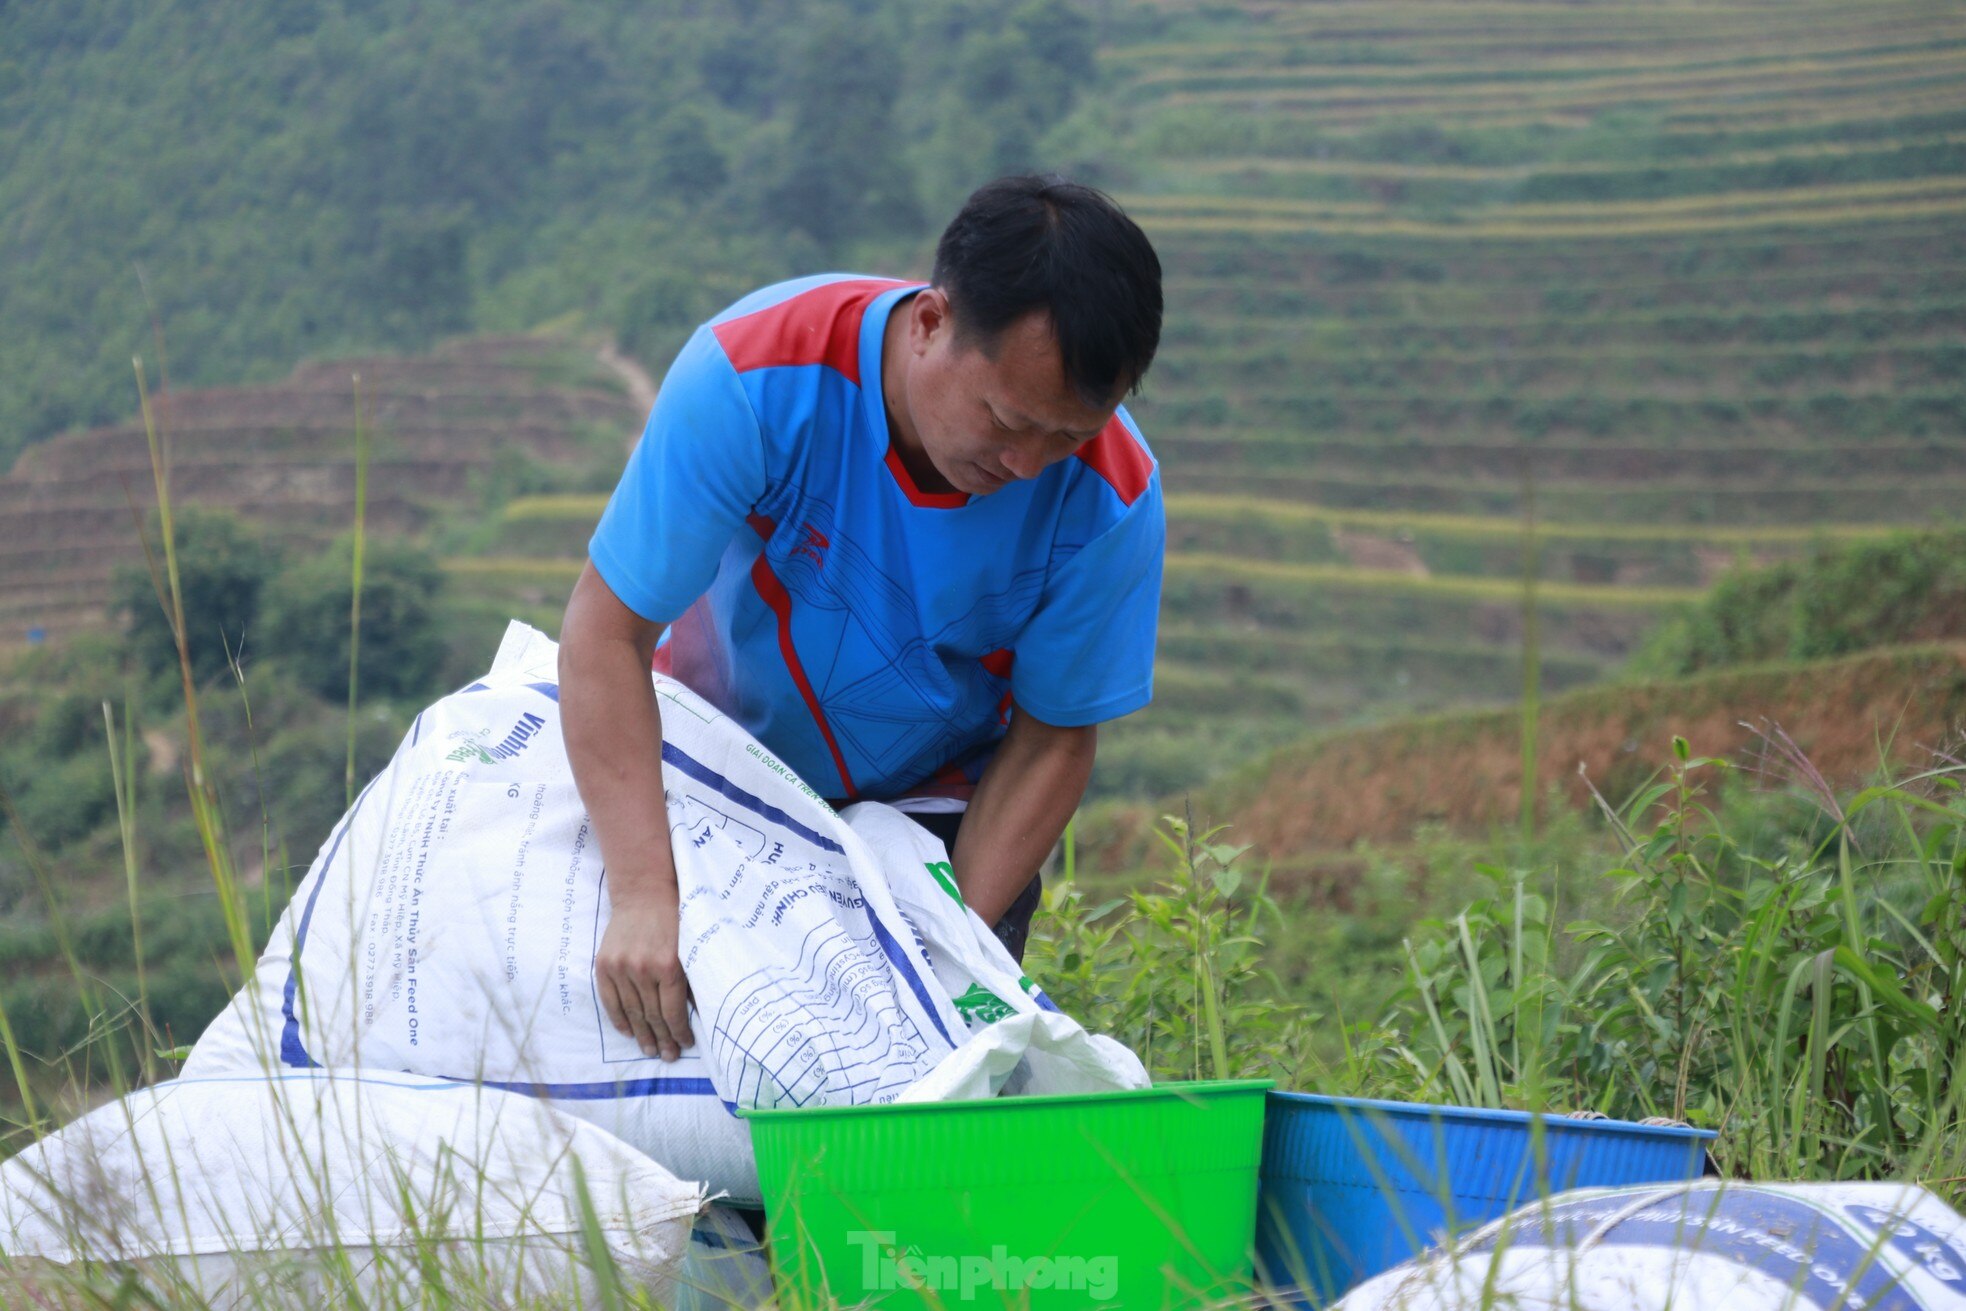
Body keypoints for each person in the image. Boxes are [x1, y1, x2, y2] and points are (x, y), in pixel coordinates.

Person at [558, 174, 1165, 1062]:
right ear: (930, 323)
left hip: (943, 816)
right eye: (1006, 420)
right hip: (723, 783)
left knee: (927, 1086)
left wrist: (942, 938)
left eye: (1065, 437)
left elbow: (1052, 739)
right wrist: (647, 890)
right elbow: (607, 635)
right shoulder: (755, 378)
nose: (1029, 465)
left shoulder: (1112, 495)